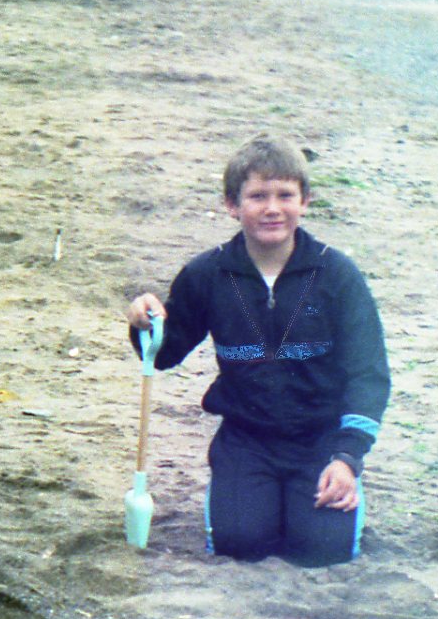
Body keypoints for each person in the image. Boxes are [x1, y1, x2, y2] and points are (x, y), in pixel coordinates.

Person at [125, 137, 389, 567]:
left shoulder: (338, 275)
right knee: (240, 544)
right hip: (246, 440)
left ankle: (320, 498)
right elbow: (164, 352)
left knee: (322, 551)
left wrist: (346, 458)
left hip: (320, 442)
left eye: (285, 195)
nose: (272, 209)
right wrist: (145, 323)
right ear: (232, 204)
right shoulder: (207, 274)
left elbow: (369, 374)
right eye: (257, 196)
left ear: (305, 201)